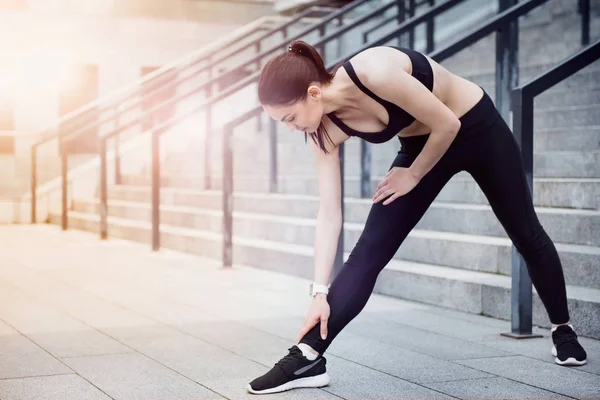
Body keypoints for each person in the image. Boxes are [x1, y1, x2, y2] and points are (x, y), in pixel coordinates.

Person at [246, 40, 588, 395]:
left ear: (313, 93)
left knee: (525, 233)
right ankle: (308, 357)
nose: (289, 128)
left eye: (289, 118)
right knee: (368, 253)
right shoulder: (321, 133)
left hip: (475, 127)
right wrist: (319, 292)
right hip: (421, 146)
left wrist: (412, 175)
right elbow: (329, 213)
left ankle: (562, 328)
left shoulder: (374, 72)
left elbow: (448, 123)